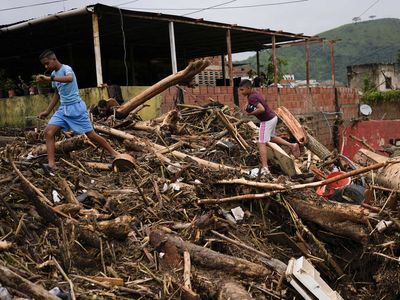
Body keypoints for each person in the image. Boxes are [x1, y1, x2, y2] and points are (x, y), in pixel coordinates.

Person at [36, 49, 119, 172]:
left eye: (47, 63)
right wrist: (47, 111)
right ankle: (51, 164)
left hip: (76, 108)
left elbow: (69, 78)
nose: (46, 66)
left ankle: (114, 153)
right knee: (48, 132)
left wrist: (49, 79)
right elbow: (57, 94)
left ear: (54, 59)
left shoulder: (66, 69)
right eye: (44, 65)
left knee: (91, 134)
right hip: (63, 110)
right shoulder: (54, 75)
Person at [239, 79, 300, 176]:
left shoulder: (252, 97)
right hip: (272, 118)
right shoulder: (254, 94)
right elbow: (254, 103)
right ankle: (292, 145)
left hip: (266, 121)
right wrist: (246, 107)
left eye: (242, 90)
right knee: (271, 138)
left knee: (261, 142)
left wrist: (250, 113)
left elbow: (261, 109)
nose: (241, 92)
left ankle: (265, 168)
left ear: (248, 88)